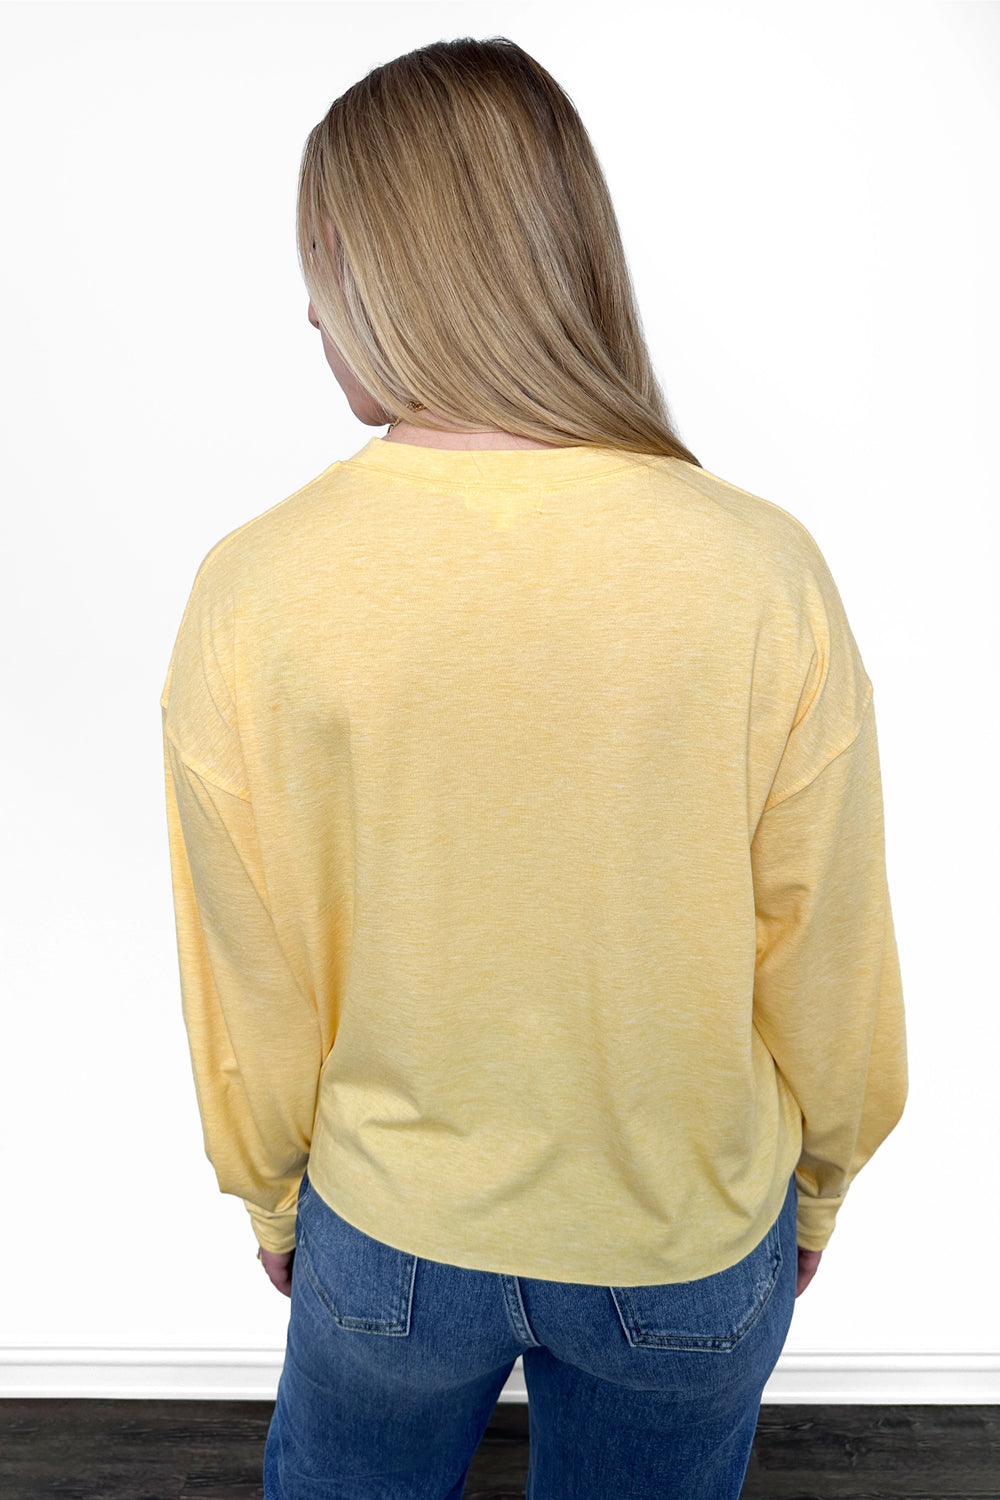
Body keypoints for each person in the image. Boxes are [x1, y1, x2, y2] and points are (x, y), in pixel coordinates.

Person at [160, 35, 907, 1500]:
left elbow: (249, 961)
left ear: (383, 273)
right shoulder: (758, 569)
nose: (307, 310)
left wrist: (267, 1191)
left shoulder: (256, 587)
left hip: (390, 1234)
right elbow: (825, 932)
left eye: (320, 262)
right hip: (682, 1231)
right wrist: (822, 1174)